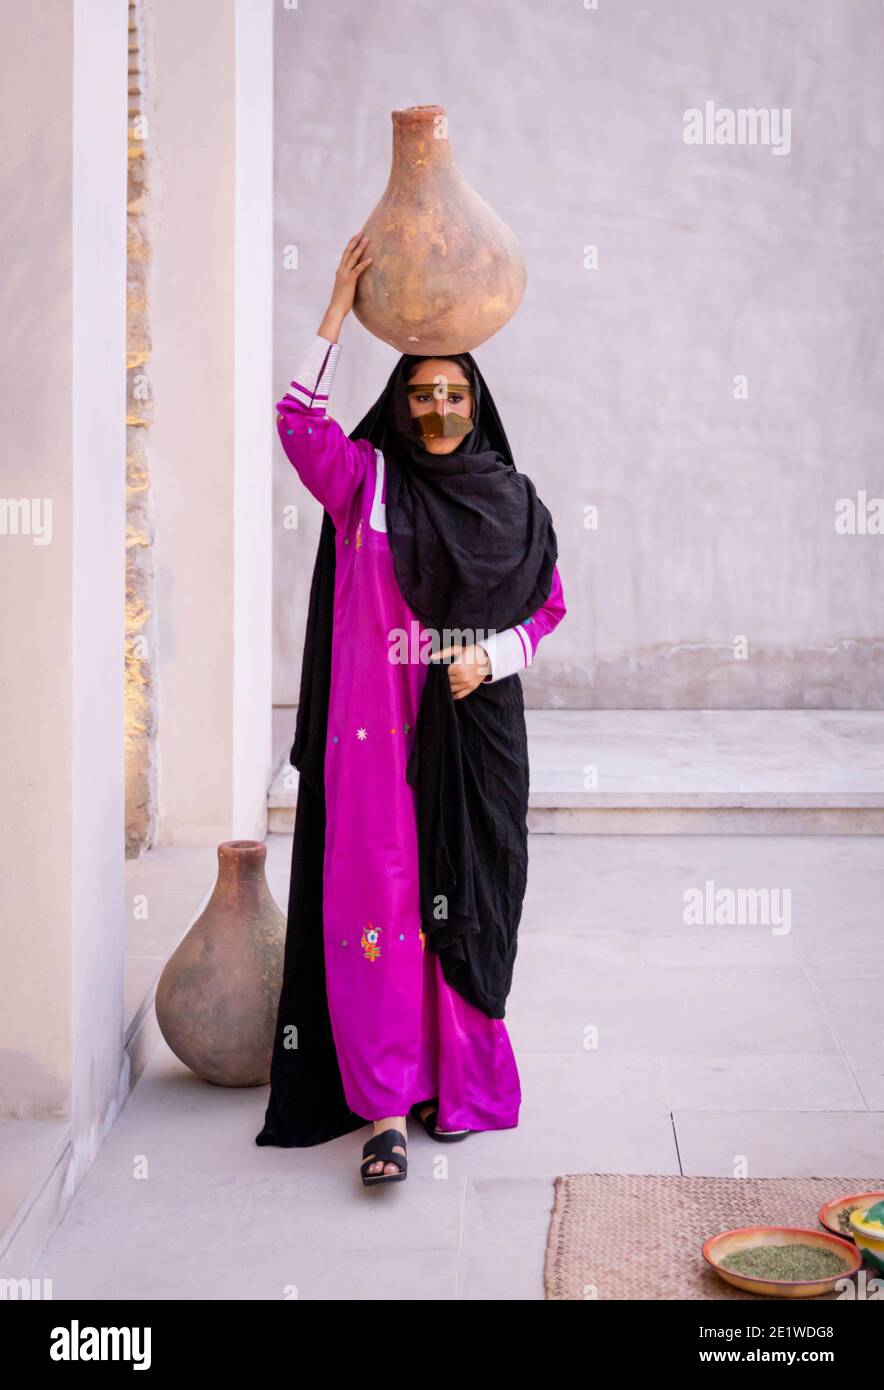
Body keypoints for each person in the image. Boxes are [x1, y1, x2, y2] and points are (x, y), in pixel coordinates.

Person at [255, 233, 566, 1184]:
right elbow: (298, 426)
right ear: (401, 402)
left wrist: (494, 656)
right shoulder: (367, 483)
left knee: (464, 904)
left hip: (469, 741)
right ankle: (386, 1108)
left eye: (454, 392)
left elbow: (549, 605)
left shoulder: (511, 500)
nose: (437, 405)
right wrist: (336, 310)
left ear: (476, 405)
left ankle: (463, 1086)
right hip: (373, 745)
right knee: (380, 912)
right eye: (422, 391)